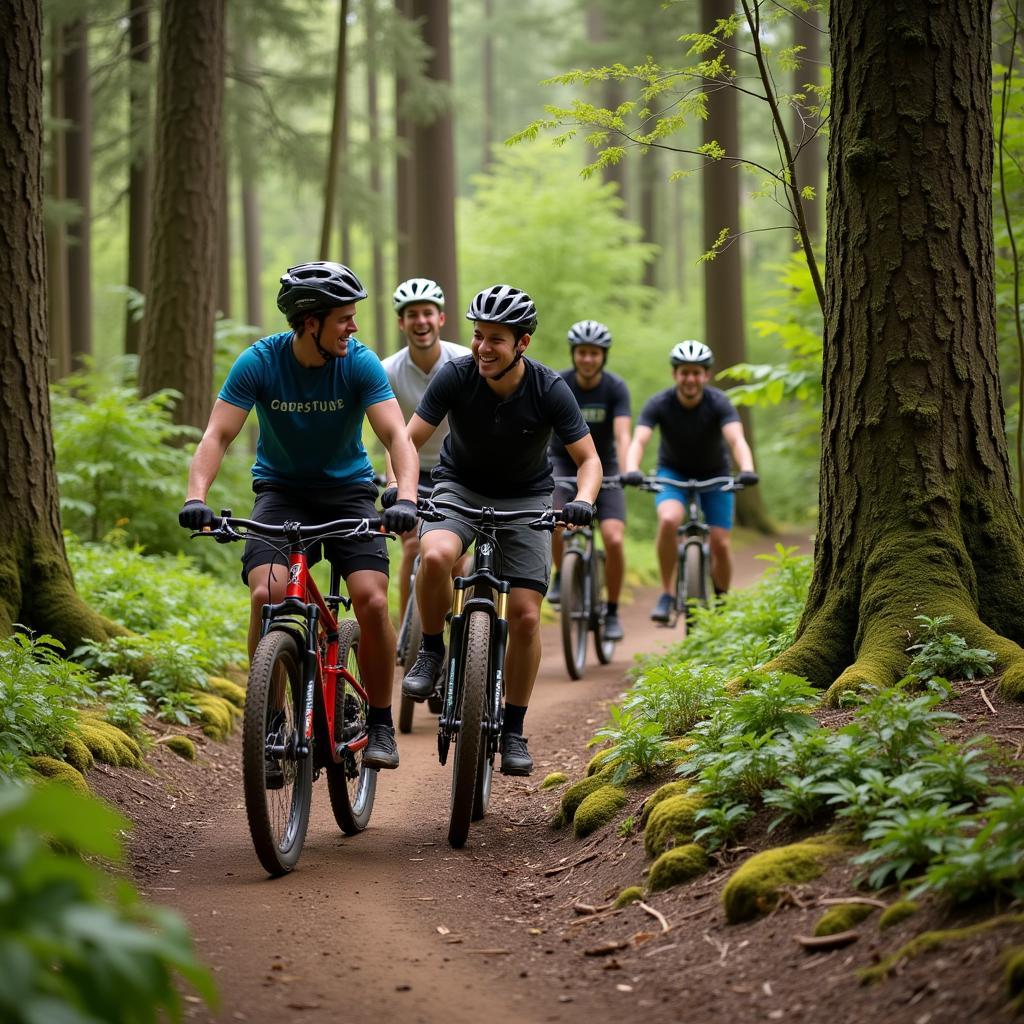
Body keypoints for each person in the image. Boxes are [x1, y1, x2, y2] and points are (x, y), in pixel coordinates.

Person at [178, 261, 420, 769]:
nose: (353, 328)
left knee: (372, 601)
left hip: (349, 493)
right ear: (310, 321)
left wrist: (405, 499)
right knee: (267, 595)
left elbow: (397, 436)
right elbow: (217, 435)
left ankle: (379, 721)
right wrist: (196, 497)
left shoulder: (359, 363)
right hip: (281, 493)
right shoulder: (260, 362)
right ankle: (267, 724)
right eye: (343, 319)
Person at [401, 285, 603, 776]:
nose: (483, 348)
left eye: (496, 339)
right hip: (459, 489)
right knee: (433, 556)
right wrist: (401, 488)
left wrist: (582, 501)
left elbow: (589, 460)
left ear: (522, 344)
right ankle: (431, 651)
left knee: (528, 618)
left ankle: (513, 729)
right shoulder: (455, 375)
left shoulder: (549, 387)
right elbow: (408, 438)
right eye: (477, 337)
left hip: (527, 499)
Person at [622, 340, 758, 622]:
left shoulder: (719, 403)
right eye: (684, 372)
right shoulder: (659, 403)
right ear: (675, 375)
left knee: (720, 542)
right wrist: (632, 468)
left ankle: (722, 599)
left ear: (705, 375)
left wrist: (746, 468)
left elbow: (736, 438)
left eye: (697, 372)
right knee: (670, 520)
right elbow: (640, 439)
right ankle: (667, 593)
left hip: (716, 473)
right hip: (673, 473)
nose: (690, 379)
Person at [378, 279, 473, 619]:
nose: (421, 321)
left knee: (457, 557)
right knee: (412, 546)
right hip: (411, 469)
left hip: (457, 472)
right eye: (412, 315)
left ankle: (457, 628)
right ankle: (408, 635)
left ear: (441, 319)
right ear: (401, 323)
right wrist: (394, 486)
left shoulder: (465, 361)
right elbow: (393, 438)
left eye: (428, 313)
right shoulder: (388, 370)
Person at [547, 319, 631, 642]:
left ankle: (611, 611)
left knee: (613, 539)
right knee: (554, 522)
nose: (587, 359)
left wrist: (626, 470)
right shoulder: (559, 383)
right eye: (582, 352)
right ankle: (560, 575)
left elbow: (623, 434)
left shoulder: (615, 388)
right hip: (561, 465)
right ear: (574, 354)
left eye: (594, 353)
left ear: (603, 356)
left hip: (606, 466)